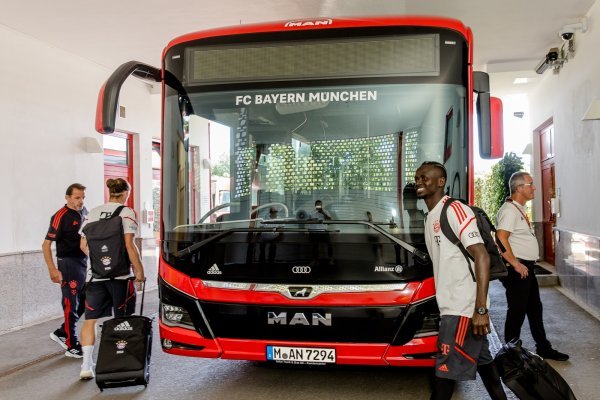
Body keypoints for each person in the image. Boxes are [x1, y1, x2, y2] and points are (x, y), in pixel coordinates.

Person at [415, 162, 506, 400]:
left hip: (462, 308)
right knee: (486, 365)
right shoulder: (430, 217)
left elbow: (481, 255)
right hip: (451, 306)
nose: (419, 181)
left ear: (441, 182)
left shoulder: (454, 210)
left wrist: (480, 309)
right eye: (417, 178)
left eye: (425, 177)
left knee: (444, 375)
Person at [496, 171, 569, 361]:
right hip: (517, 269)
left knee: (534, 309)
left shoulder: (517, 209)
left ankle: (543, 347)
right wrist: (515, 264)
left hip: (525, 267)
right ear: (519, 188)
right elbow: (500, 238)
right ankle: (510, 354)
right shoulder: (509, 211)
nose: (534, 187)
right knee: (517, 311)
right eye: (530, 184)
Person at [78, 178, 145, 380]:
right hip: (121, 276)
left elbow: (83, 245)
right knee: (122, 319)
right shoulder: (126, 212)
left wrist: (100, 260)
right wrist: (139, 272)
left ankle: (86, 366)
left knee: (89, 320)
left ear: (109, 192)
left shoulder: (92, 213)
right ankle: (121, 362)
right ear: (126, 193)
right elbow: (129, 245)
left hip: (96, 276)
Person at [42, 183, 88, 358]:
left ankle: (62, 331)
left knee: (84, 300)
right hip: (67, 263)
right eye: (77, 197)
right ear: (67, 197)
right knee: (71, 303)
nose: (81, 200)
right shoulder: (60, 216)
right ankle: (70, 343)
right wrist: (53, 269)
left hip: (82, 262)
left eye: (83, 197)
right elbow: (46, 245)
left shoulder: (84, 212)